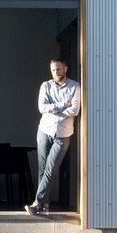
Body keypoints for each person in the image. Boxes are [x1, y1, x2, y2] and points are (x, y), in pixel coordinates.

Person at [27, 58, 80, 215]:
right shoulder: (46, 86)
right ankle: (45, 205)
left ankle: (36, 203)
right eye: (53, 70)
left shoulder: (75, 86)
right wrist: (63, 105)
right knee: (43, 169)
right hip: (45, 130)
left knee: (51, 168)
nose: (56, 72)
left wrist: (54, 109)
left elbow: (75, 111)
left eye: (58, 69)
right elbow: (42, 107)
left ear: (65, 69)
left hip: (63, 134)